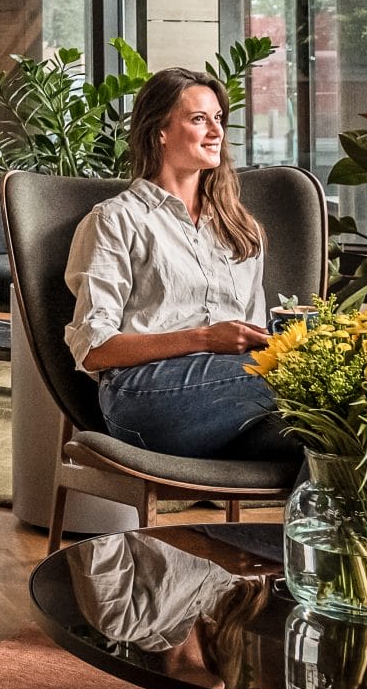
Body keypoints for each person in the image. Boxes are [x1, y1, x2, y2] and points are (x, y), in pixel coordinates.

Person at [63, 67, 297, 464]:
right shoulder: (115, 220)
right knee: (315, 376)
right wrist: (204, 339)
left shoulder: (241, 228)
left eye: (218, 119)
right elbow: (93, 350)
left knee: (347, 432)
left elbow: (251, 337)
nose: (216, 132)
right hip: (143, 397)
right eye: (198, 119)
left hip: (235, 401)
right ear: (161, 132)